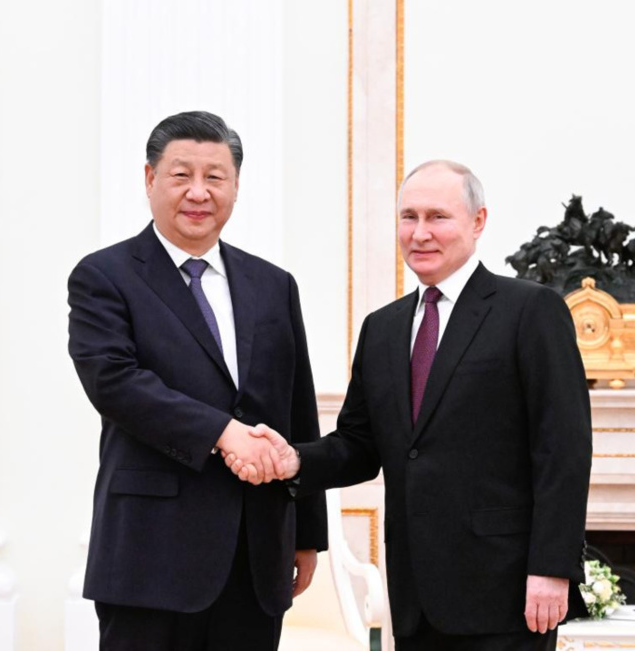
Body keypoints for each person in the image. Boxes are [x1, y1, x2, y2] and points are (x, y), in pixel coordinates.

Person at [228, 161, 592, 650]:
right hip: (415, 595)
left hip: (506, 591)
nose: (419, 233)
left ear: (478, 221)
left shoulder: (531, 310)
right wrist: (294, 460)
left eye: (438, 217)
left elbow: (563, 449)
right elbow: (359, 444)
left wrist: (551, 568)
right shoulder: (382, 328)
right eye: (408, 217)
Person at [67, 110, 327, 651]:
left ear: (235, 186)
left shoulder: (274, 285)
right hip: (149, 556)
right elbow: (115, 382)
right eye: (181, 174)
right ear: (149, 179)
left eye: (215, 177)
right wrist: (222, 432)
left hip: (256, 556)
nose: (198, 192)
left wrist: (306, 535)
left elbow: (297, 410)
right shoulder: (104, 276)